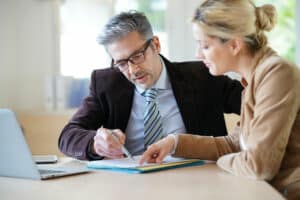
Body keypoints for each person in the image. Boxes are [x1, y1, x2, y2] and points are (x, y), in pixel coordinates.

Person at [139, 1, 300, 199]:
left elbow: (258, 166)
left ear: (234, 44)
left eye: (205, 45)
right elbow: (235, 144)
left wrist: (222, 161)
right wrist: (174, 142)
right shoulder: (254, 79)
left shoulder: (277, 74)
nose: (198, 54)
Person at [58, 11, 242, 161]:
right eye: (122, 63)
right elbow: (68, 136)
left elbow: (256, 102)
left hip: (197, 181)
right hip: (129, 185)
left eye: (137, 56)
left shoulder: (202, 75)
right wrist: (95, 143)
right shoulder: (106, 84)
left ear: (156, 44)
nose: (132, 70)